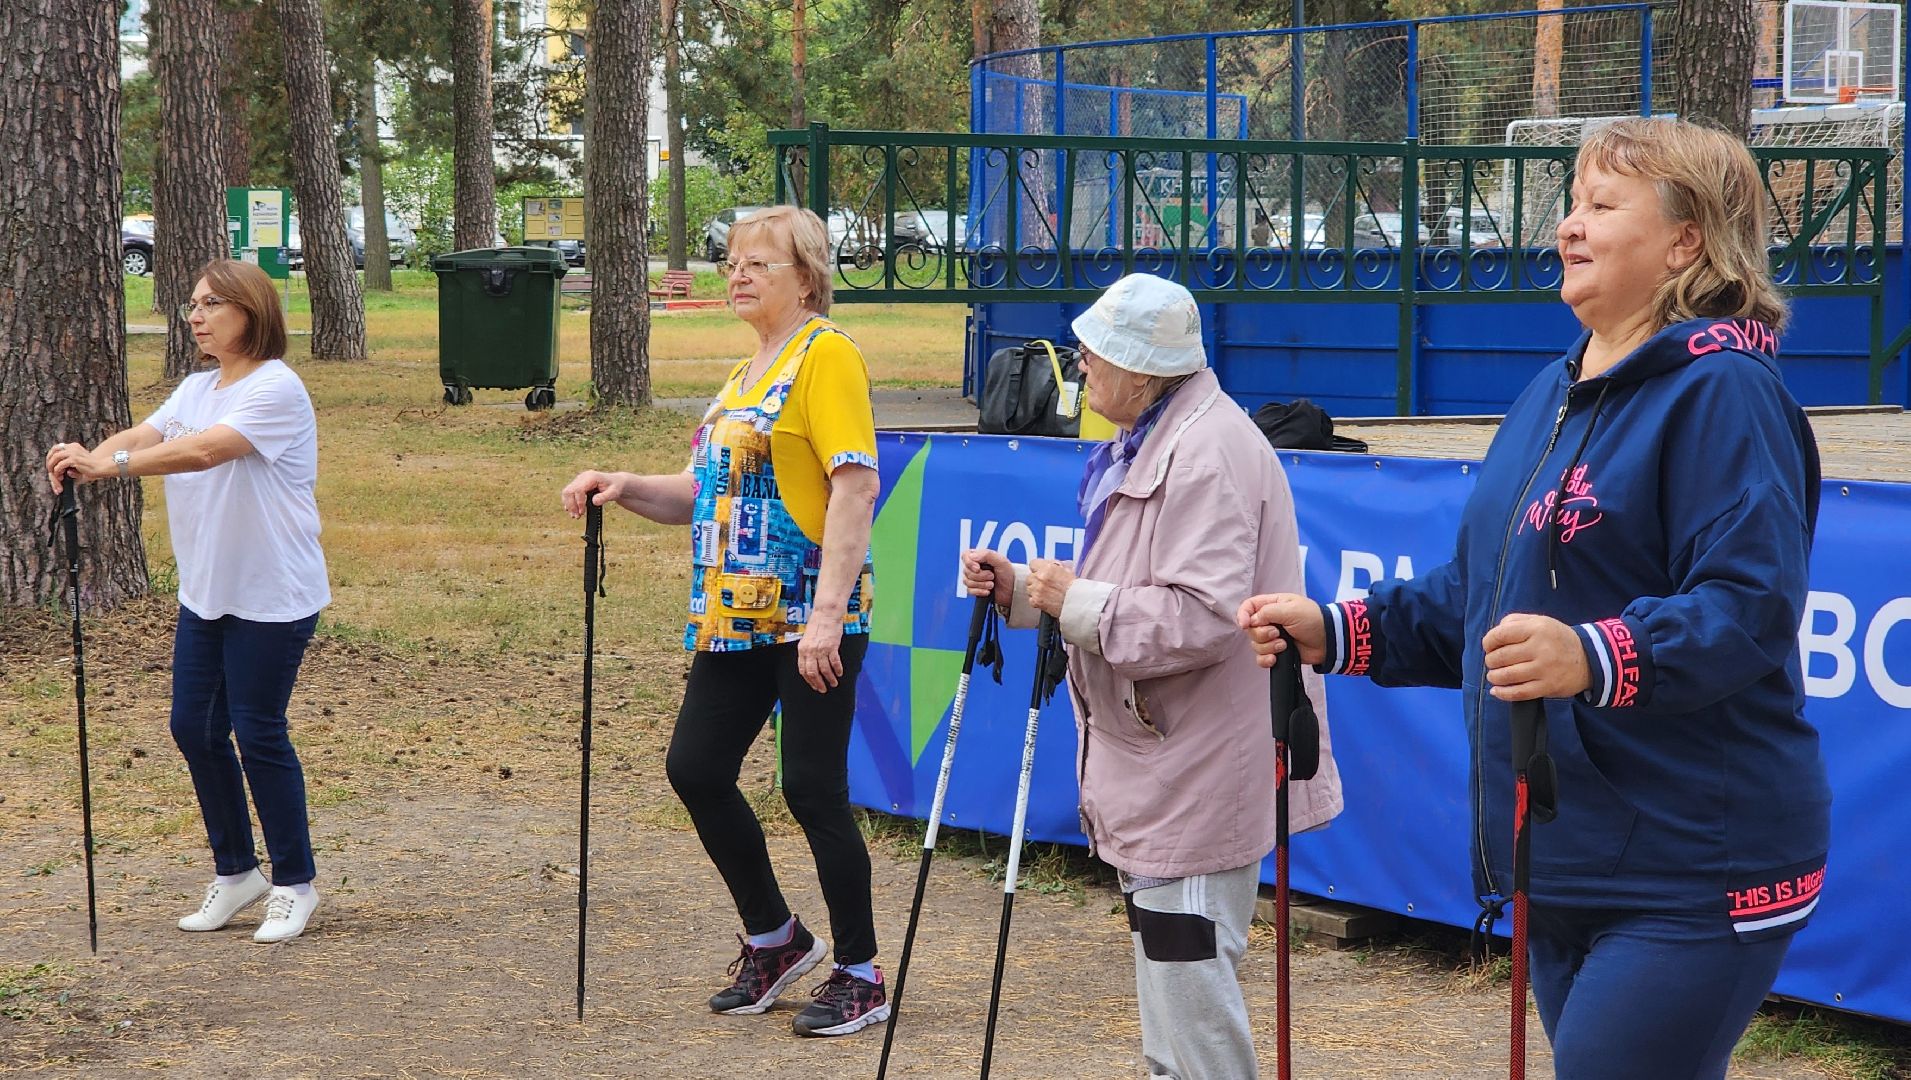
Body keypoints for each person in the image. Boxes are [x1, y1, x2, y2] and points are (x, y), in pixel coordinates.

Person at [1240, 117, 1829, 1080]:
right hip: (1563, 850)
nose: (1568, 225)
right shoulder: (1552, 390)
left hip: (1690, 862)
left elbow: (1747, 605)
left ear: (1684, 242)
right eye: (1571, 203)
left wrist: (1591, 655)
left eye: (1601, 205)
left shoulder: (1724, 390)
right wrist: (1337, 631)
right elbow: (1485, 598)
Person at [961, 273, 1342, 1079]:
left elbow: (1200, 618)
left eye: (1094, 353)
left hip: (1197, 764)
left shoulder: (1206, 451)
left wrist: (1071, 600)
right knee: (1176, 998)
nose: (1081, 364)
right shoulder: (1160, 436)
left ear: (1141, 372)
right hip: (1168, 760)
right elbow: (1138, 585)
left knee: (1191, 1004)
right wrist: (1022, 592)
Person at [561, 206, 888, 1038]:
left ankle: (861, 972)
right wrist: (622, 485)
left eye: (757, 264)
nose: (736, 274)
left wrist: (826, 618)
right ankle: (775, 939)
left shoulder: (826, 355)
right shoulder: (745, 374)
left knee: (811, 788)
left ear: (805, 278)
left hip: (809, 615)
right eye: (731, 261)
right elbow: (698, 494)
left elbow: (854, 486)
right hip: (734, 617)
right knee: (696, 768)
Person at [46, 258, 331, 945]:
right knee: (194, 729)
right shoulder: (198, 386)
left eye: (211, 305)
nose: (195, 317)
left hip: (273, 594)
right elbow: (146, 437)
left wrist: (107, 466)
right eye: (192, 306)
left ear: (250, 312)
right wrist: (90, 456)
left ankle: (295, 883)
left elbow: (204, 452)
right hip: (208, 593)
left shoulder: (275, 388)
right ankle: (237, 873)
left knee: (258, 732)